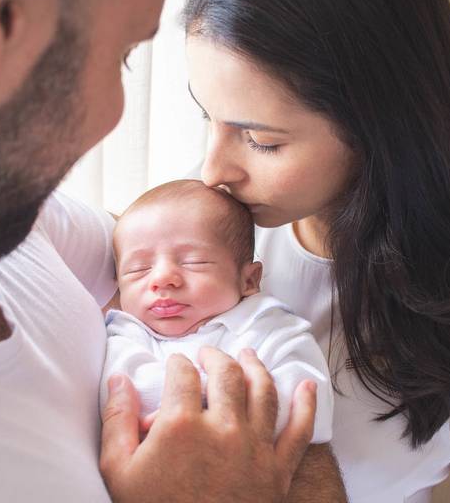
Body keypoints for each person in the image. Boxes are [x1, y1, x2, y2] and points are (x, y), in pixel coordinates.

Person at [0, 0, 340, 502]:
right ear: (0, 19)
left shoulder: (16, 216)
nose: (115, 113)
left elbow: (179, 241)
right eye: (121, 56)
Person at [182, 0, 450, 502]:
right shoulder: (198, 228)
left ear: (378, 124)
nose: (212, 171)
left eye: (262, 141)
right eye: (205, 116)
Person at [100, 180, 333, 443]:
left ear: (249, 280)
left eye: (193, 262)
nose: (162, 278)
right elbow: (121, 397)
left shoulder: (270, 327)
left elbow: (310, 410)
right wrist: (229, 395)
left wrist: (194, 403)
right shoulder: (127, 333)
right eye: (139, 269)